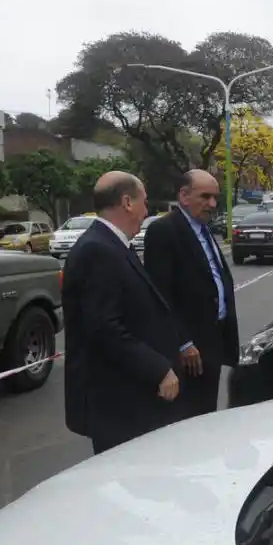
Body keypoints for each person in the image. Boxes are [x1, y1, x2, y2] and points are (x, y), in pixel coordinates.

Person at [62, 171, 184, 452]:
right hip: (118, 403)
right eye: (145, 202)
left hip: (131, 398)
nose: (146, 211)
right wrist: (159, 369)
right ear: (127, 202)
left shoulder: (114, 244)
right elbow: (104, 328)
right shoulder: (98, 250)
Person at [144, 169, 239, 419]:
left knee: (207, 413)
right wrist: (183, 342)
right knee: (188, 420)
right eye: (205, 196)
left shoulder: (204, 229)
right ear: (184, 197)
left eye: (215, 197)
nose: (212, 204)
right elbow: (159, 297)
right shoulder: (163, 231)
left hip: (213, 342)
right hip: (188, 352)